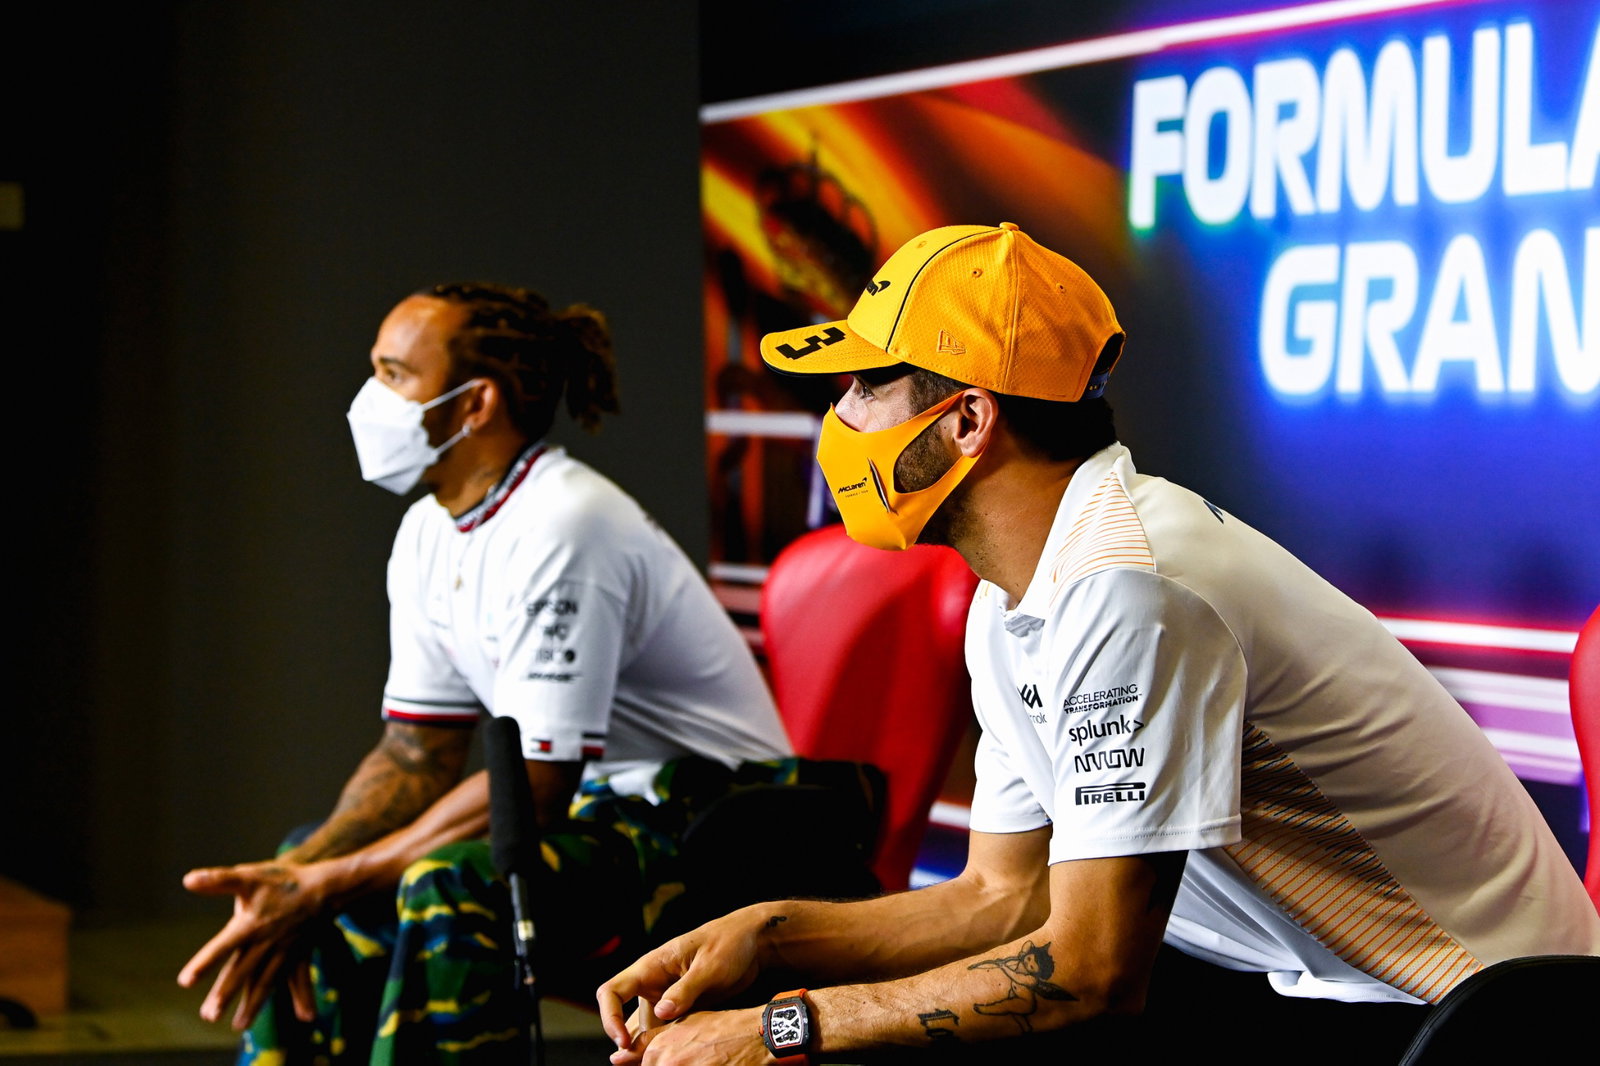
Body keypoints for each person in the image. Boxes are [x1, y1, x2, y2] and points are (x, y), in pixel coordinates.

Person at [597, 223, 1600, 1065]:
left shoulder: (1129, 587)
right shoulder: (1017, 596)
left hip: (1483, 1019)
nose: (837, 419)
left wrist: (780, 1029)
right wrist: (767, 938)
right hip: (1309, 992)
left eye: (863, 385)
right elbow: (1003, 896)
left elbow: (1088, 971)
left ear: (967, 420)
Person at [177, 283, 874, 1063]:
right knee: (306, 860)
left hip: (710, 831)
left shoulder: (565, 524)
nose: (370, 396)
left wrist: (329, 882)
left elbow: (536, 789)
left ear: (475, 403)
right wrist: (291, 878)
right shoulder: (428, 531)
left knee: (445, 882)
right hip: (596, 819)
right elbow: (415, 754)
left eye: (395, 374)